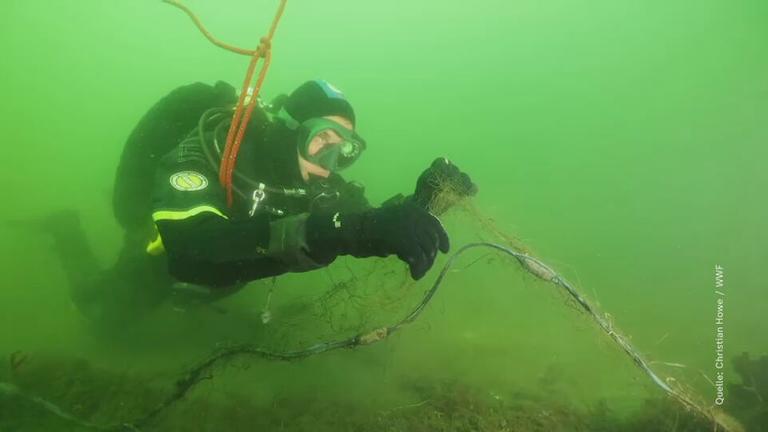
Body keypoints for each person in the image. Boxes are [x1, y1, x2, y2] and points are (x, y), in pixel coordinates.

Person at [49, 79, 476, 328]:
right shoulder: (211, 148)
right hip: (158, 266)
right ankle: (63, 229)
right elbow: (188, 249)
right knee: (104, 321)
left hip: (220, 283)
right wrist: (334, 230)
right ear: (290, 129)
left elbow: (367, 223)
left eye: (342, 149)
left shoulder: (318, 182)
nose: (329, 162)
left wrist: (425, 204)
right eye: (321, 139)